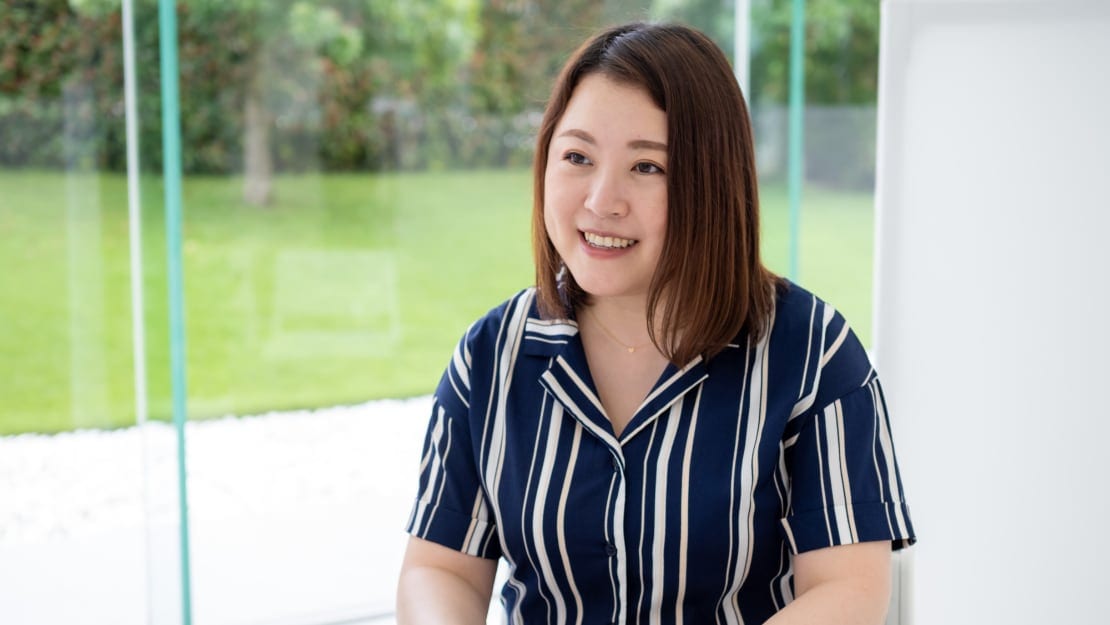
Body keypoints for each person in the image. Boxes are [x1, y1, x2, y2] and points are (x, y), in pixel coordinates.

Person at [396, 21, 915, 625]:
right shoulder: (491, 356)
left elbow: (848, 588)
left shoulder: (814, 355)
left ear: (712, 181)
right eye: (577, 157)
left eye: (647, 167)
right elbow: (441, 569)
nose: (601, 201)